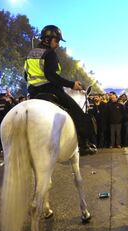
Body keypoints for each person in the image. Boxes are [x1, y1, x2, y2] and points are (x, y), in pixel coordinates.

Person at [24, 25, 96, 156]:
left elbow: (25, 75)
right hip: (51, 90)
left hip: (33, 92)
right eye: (56, 41)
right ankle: (84, 145)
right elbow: (52, 76)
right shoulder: (49, 54)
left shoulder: (30, 54)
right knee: (78, 113)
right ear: (48, 39)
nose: (57, 44)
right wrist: (71, 84)